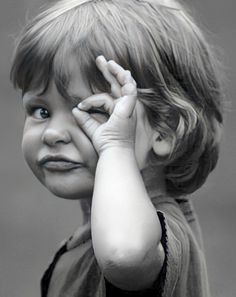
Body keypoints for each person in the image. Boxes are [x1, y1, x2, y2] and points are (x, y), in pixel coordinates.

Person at [10, 0, 224, 296]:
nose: (53, 133)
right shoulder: (88, 242)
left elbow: (123, 254)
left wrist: (113, 145)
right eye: (41, 111)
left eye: (93, 110)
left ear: (164, 130)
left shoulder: (153, 234)